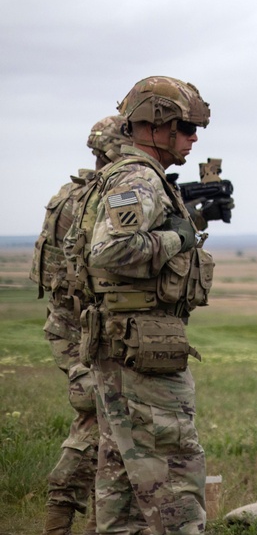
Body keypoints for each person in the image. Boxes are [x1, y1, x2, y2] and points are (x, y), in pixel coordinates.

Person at [72, 76, 214, 534]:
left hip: (124, 346)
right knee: (174, 480)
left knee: (122, 487)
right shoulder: (138, 177)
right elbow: (109, 251)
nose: (195, 139)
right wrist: (179, 237)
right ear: (158, 125)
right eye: (188, 128)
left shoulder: (133, 176)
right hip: (142, 354)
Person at [30, 115, 131, 535]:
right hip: (82, 328)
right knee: (100, 419)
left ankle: (91, 520)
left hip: (68, 324)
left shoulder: (70, 193)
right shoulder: (93, 199)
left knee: (105, 420)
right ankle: (64, 514)